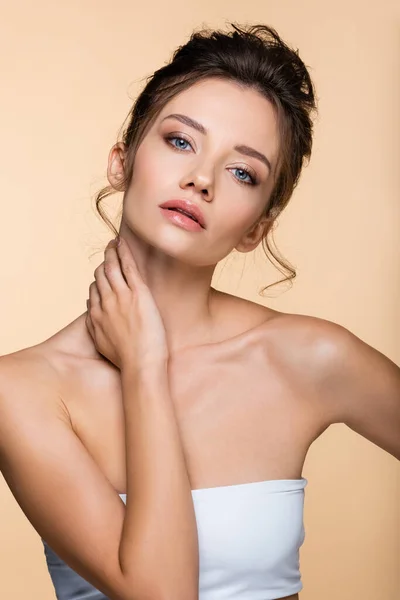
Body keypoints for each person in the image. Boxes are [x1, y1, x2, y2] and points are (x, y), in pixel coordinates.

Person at [0, 21, 399, 600]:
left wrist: (143, 362)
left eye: (243, 172)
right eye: (180, 140)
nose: (201, 179)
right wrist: (144, 368)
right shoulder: (23, 392)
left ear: (257, 228)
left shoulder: (308, 357)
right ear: (122, 160)